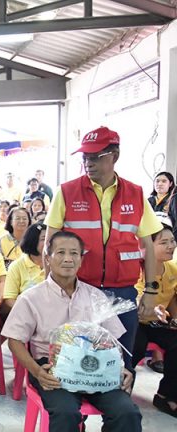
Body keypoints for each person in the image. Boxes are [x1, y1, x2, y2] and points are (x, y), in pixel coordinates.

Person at [2, 231, 153, 432]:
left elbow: (114, 341)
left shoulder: (95, 297)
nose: (68, 259)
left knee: (127, 411)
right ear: (47, 257)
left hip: (96, 370)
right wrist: (37, 370)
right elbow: (14, 341)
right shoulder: (32, 298)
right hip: (52, 369)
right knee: (66, 412)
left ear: (82, 260)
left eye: (74, 253)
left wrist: (122, 368)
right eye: (60, 252)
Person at [45, 127, 162, 368]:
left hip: (123, 294)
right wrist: (52, 291)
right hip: (78, 290)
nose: (88, 163)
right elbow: (50, 246)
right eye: (85, 157)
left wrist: (151, 292)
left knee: (120, 361)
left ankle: (120, 392)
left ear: (114, 156)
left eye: (95, 157)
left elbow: (148, 246)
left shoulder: (135, 194)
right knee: (75, 361)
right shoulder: (66, 192)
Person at [132, 220, 177, 416]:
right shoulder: (137, 270)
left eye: (172, 241)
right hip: (136, 322)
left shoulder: (173, 269)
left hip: (159, 323)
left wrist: (174, 319)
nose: (171, 246)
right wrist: (153, 310)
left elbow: (173, 297)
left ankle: (166, 396)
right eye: (163, 242)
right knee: (134, 347)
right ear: (147, 247)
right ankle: (118, 396)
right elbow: (136, 305)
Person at [2, 222, 46, 312]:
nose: (48, 243)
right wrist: (29, 312)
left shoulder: (56, 263)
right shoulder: (17, 266)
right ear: (33, 241)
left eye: (50, 238)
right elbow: (9, 299)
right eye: (43, 239)